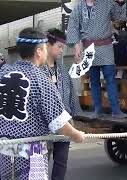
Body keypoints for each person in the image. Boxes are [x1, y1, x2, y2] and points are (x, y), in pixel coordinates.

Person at [0, 27, 85, 180]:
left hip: (4, 151)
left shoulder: (3, 73)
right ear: (39, 51)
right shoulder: (40, 79)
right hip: (32, 154)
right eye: (45, 47)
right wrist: (76, 135)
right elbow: (59, 122)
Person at [66, 0, 127, 119]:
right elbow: (73, 26)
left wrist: (121, 3)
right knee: (94, 81)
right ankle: (97, 110)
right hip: (89, 47)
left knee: (110, 79)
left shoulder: (107, 3)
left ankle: (116, 110)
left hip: (106, 46)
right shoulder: (78, 8)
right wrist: (76, 45)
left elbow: (120, 16)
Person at [41, 28, 82, 180]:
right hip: (43, 126)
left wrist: (74, 118)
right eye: (59, 46)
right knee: (41, 162)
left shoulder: (63, 70)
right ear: (48, 45)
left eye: (63, 47)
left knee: (61, 162)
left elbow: (71, 94)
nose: (61, 50)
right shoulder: (37, 70)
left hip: (64, 123)